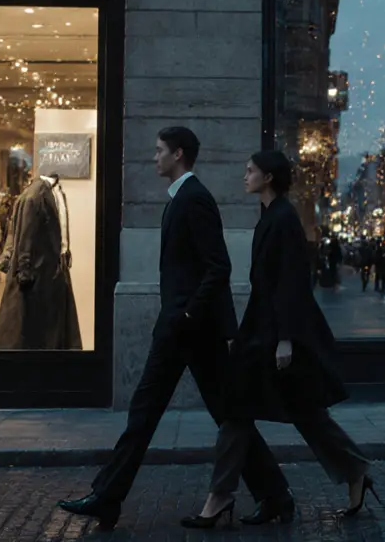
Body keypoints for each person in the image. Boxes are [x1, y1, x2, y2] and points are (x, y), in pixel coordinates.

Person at [58, 127, 289, 529]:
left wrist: (186, 315)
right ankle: (273, 494)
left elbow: (218, 266)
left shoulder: (194, 198)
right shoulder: (183, 197)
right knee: (187, 413)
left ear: (178, 154)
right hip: (189, 330)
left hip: (190, 330)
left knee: (164, 413)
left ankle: (108, 497)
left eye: (159, 150)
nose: (154, 157)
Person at [181, 151, 376, 529]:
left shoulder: (283, 219)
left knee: (254, 411)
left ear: (268, 177)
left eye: (250, 170)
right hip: (264, 332)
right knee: (291, 412)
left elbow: (289, 283)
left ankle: (226, 496)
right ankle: (350, 472)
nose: (245, 175)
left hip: (275, 336)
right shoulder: (272, 216)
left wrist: (283, 339)